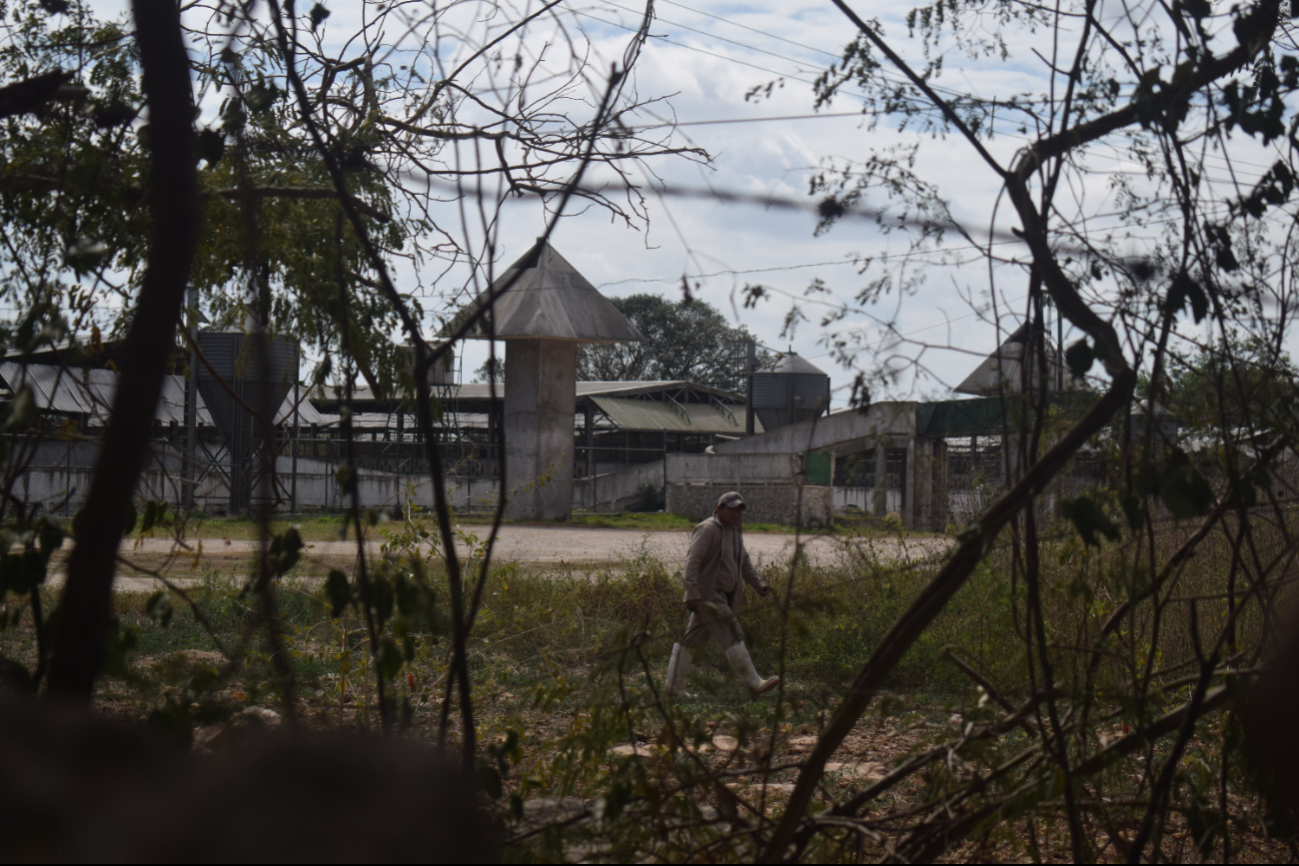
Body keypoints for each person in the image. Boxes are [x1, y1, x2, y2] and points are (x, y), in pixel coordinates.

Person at [665, 491, 780, 697]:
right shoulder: (707, 529)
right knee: (731, 631)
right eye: (732, 509)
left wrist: (758, 584)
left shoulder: (735, 531)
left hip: (723, 595)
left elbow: (743, 562)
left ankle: (674, 688)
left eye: (740, 510)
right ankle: (753, 682)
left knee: (692, 641)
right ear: (720, 509)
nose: (736, 514)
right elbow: (693, 562)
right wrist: (691, 591)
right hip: (709, 594)